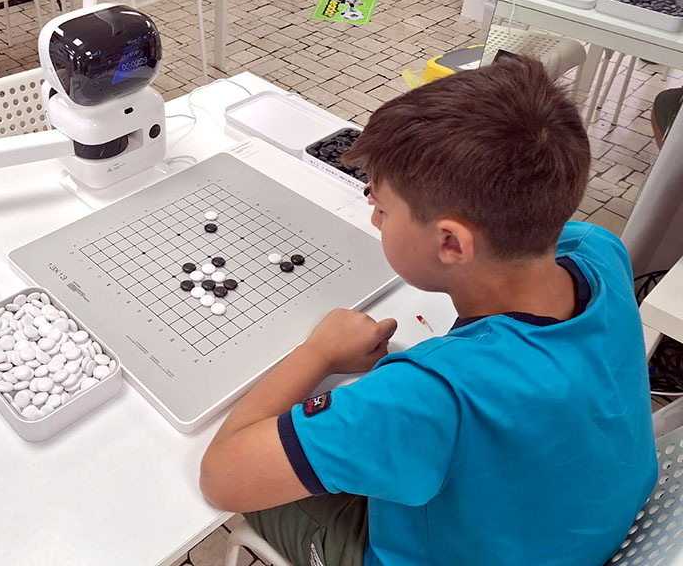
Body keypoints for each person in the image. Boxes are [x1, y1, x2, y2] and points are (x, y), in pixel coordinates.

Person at [199, 57, 657, 566]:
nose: (372, 213)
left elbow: (222, 477)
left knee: (249, 494)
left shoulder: (430, 395)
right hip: (575, 525)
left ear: (451, 243)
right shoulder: (598, 249)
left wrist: (319, 352)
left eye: (382, 207)